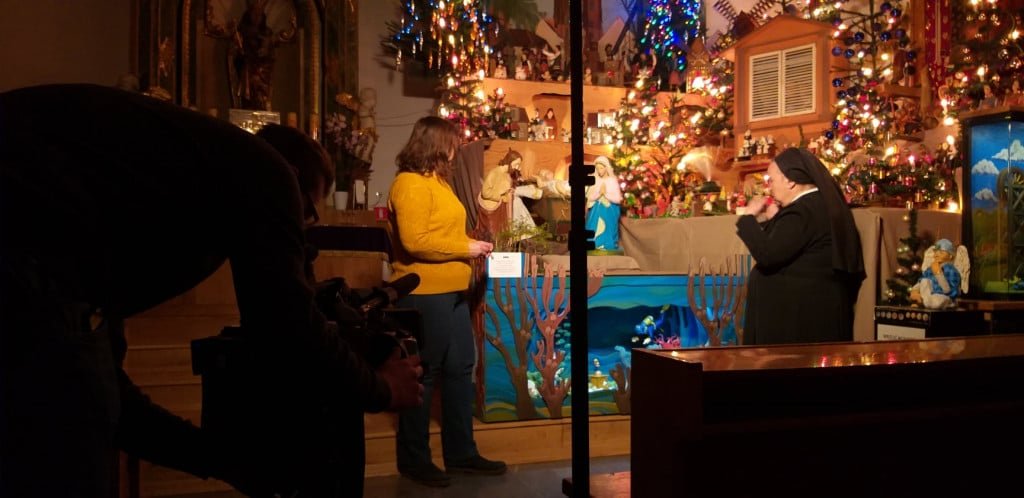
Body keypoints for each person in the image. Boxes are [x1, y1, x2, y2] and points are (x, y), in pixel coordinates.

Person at [0, 84, 423, 498]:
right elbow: (286, 325)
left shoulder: (117, 228)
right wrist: (381, 389)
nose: (301, 228)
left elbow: (115, 403)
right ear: (293, 179)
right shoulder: (267, 171)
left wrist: (225, 462)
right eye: (307, 212)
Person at [388, 116, 507, 487]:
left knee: (460, 368)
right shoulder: (408, 183)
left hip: (454, 293)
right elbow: (415, 241)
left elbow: (444, 233)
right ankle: (414, 459)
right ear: (437, 143)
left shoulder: (438, 182)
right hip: (424, 293)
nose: (457, 148)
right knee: (424, 374)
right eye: (453, 141)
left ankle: (461, 453)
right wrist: (466, 248)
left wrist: (473, 244)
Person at [736, 147, 865, 345]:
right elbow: (789, 244)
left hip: (800, 318)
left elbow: (768, 254)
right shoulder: (814, 204)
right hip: (804, 309)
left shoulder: (803, 210)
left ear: (790, 181)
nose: (769, 187)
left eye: (772, 180)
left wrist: (747, 217)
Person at [586, 156, 623, 252]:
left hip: (610, 209)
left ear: (606, 168)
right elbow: (590, 197)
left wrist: (605, 194)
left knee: (605, 216)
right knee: (594, 220)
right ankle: (594, 243)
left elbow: (618, 199)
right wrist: (599, 193)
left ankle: (605, 243)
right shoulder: (596, 181)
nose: (599, 171)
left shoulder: (612, 181)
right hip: (596, 209)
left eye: (601, 168)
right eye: (597, 169)